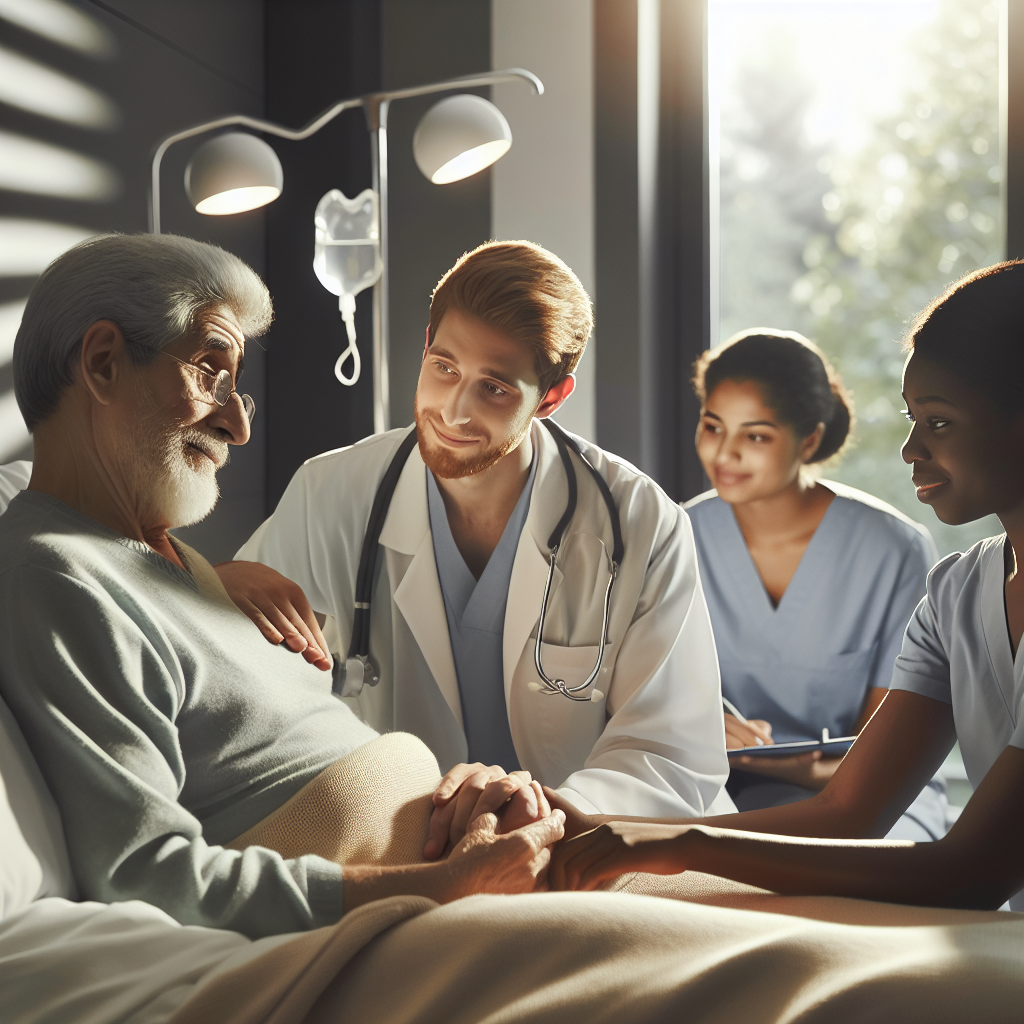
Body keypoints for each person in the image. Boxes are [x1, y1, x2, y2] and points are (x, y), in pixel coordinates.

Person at [0, 233, 566, 940]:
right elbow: (141, 870)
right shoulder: (56, 575)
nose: (238, 426)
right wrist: (440, 888)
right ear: (104, 363)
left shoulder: (169, 561)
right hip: (414, 915)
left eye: (240, 390)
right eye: (212, 371)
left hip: (459, 862)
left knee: (715, 877)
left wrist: (473, 805)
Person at [221, 240, 732, 857]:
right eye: (444, 367)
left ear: (550, 397)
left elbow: (671, 752)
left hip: (579, 844)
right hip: (402, 846)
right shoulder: (331, 493)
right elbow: (249, 691)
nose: (453, 410)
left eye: (494, 388)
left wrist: (542, 811)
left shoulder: (639, 522)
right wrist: (211, 585)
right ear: (428, 341)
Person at [547, 260, 1024, 913]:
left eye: (937, 423)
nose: (911, 448)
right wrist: (601, 828)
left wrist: (679, 846)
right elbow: (847, 813)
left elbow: (975, 873)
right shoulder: (957, 594)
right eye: (912, 419)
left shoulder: (893, 550)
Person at [684, 329, 946, 839]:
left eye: (755, 435)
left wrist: (778, 765)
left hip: (875, 796)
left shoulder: (894, 549)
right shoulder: (674, 536)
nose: (725, 453)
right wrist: (695, 723)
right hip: (718, 790)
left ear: (808, 440)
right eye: (713, 426)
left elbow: (891, 757)